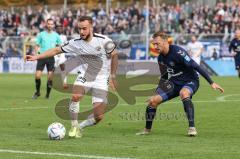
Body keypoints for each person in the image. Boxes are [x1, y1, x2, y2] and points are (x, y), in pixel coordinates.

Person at [26, 16, 118, 138]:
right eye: (79, 29)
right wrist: (36, 57)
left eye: (84, 29)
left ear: (91, 27)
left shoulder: (104, 41)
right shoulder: (75, 43)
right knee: (75, 96)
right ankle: (74, 126)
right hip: (85, 75)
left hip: (101, 78)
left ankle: (80, 127)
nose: (81, 32)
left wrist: (112, 76)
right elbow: (55, 50)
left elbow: (115, 55)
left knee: (99, 116)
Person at [136, 32, 224, 136]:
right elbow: (164, 77)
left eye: (157, 43)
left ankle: (192, 128)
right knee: (152, 101)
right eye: (153, 44)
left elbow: (196, 66)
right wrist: (156, 92)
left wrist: (211, 82)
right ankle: (147, 130)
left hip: (190, 81)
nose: (155, 46)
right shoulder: (160, 58)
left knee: (184, 93)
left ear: (165, 42)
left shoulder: (178, 52)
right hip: (174, 84)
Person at [32, 18, 62, 99]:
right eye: (49, 24)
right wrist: (37, 54)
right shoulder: (41, 34)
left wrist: (58, 53)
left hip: (51, 57)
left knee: (50, 77)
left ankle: (48, 95)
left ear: (53, 25)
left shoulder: (56, 35)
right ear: (46, 24)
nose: (50, 25)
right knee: (37, 76)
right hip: (42, 56)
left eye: (51, 24)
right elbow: (37, 45)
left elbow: (59, 46)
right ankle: (37, 92)